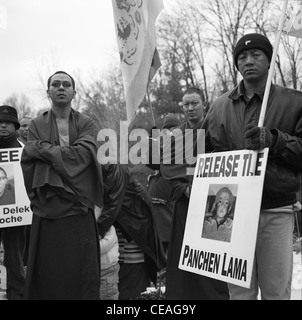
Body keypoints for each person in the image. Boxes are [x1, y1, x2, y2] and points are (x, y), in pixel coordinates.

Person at [203, 33, 302, 300]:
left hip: (275, 210)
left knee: (275, 291)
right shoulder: (218, 107)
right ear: (236, 63)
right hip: (230, 215)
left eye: (256, 55)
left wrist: (275, 140)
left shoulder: (294, 101)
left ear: (269, 60)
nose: (248, 61)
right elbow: (201, 155)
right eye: (242, 57)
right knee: (239, 293)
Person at [21, 71, 104, 300]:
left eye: (66, 84)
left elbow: (83, 157)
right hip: (48, 212)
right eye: (55, 84)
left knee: (83, 277)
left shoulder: (86, 123)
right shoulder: (37, 124)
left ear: (74, 92)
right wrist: (62, 157)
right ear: (48, 91)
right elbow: (30, 160)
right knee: (47, 277)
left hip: (79, 210)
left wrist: (45, 151)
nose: (61, 87)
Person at [160, 88, 229, 300]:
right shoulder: (176, 138)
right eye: (186, 104)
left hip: (214, 207)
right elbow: (169, 174)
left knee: (211, 262)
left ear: (204, 104)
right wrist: (186, 190)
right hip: (185, 206)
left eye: (195, 103)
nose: (190, 108)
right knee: (185, 264)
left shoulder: (216, 132)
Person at [114, 171, 166, 300]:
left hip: (130, 256)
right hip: (128, 254)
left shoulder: (120, 188)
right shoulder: (131, 185)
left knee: (130, 293)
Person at [0, 105, 26, 300]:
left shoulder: (24, 150)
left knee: (14, 257)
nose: (3, 126)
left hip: (16, 214)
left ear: (15, 125)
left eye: (7, 123)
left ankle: (16, 295)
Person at [147, 114, 181, 253]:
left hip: (170, 218)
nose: (171, 132)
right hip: (156, 221)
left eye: (174, 128)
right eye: (167, 129)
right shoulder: (161, 146)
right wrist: (152, 141)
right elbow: (151, 162)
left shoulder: (183, 148)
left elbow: (164, 163)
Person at [17, 116, 32, 268]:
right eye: (23, 125)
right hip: (18, 205)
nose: (27, 128)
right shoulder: (14, 148)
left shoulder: (40, 146)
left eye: (30, 125)